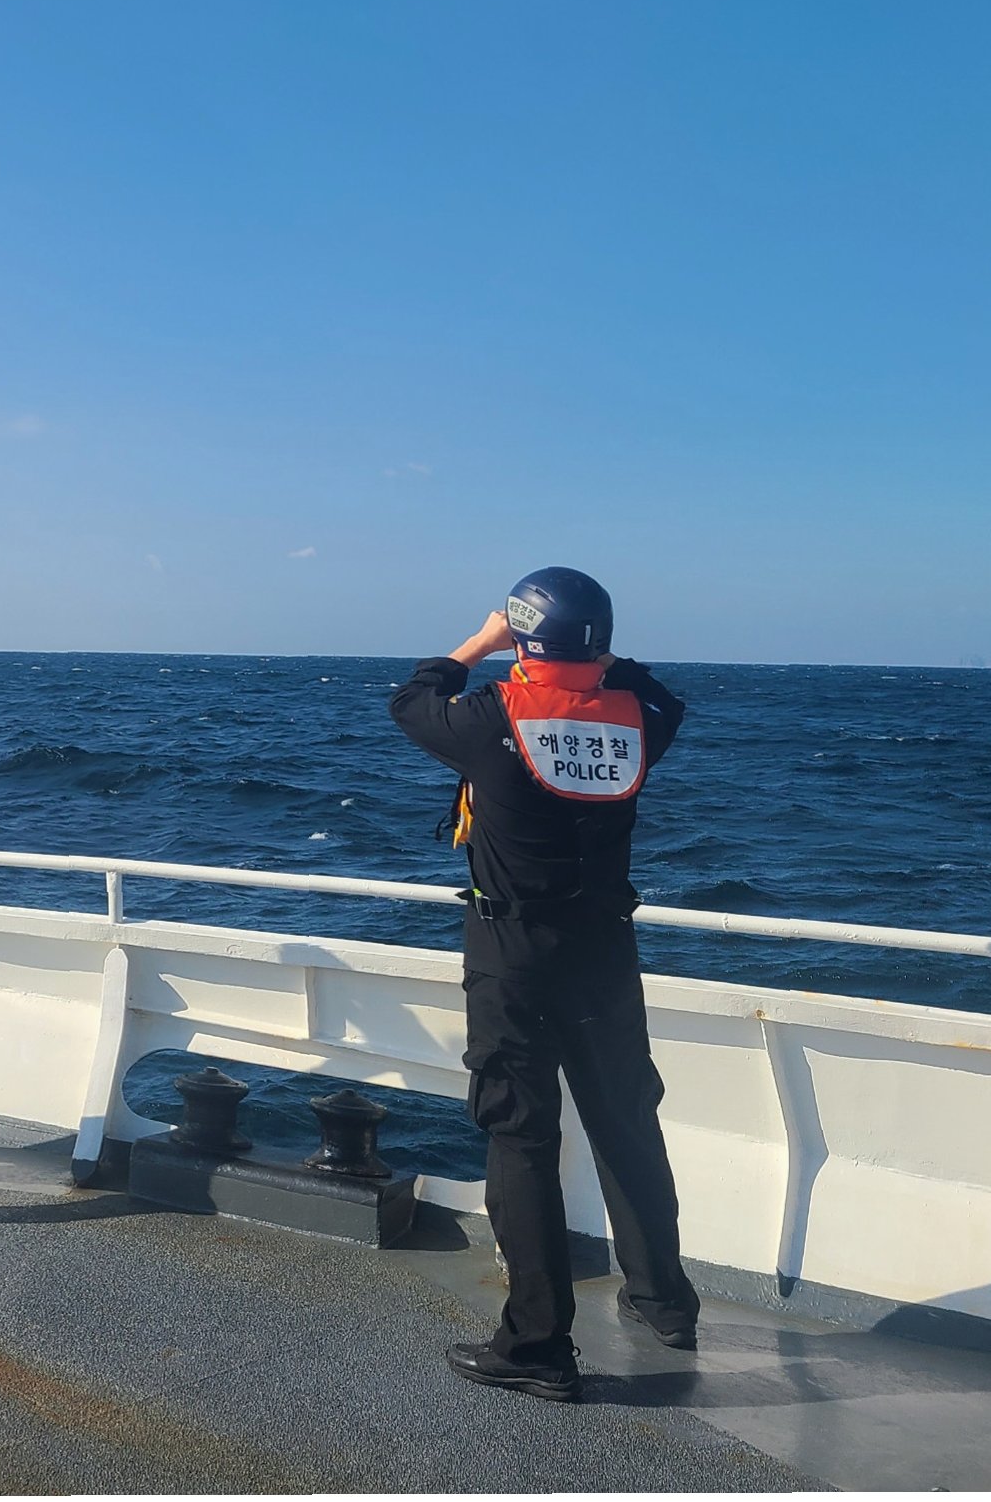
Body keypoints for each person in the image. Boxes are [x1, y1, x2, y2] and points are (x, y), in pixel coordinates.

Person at [389, 566, 700, 1401]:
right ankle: (663, 1302)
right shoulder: (638, 720)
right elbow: (661, 695)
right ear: (600, 644)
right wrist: (597, 659)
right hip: (606, 952)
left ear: (524, 638)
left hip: (513, 950)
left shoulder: (489, 718)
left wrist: (481, 640)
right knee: (625, 1121)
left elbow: (412, 698)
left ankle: (535, 1343)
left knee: (521, 1136)